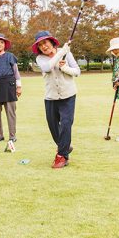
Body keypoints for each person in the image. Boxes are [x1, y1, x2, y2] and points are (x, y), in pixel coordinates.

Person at [32, 31, 80, 169]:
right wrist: (60, 53)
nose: (43, 46)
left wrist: (65, 68)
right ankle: (65, 145)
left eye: (45, 43)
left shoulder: (66, 53)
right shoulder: (40, 59)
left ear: (51, 42)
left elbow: (77, 71)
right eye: (40, 45)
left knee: (66, 123)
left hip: (68, 95)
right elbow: (47, 67)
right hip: (51, 97)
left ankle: (62, 156)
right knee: (53, 127)